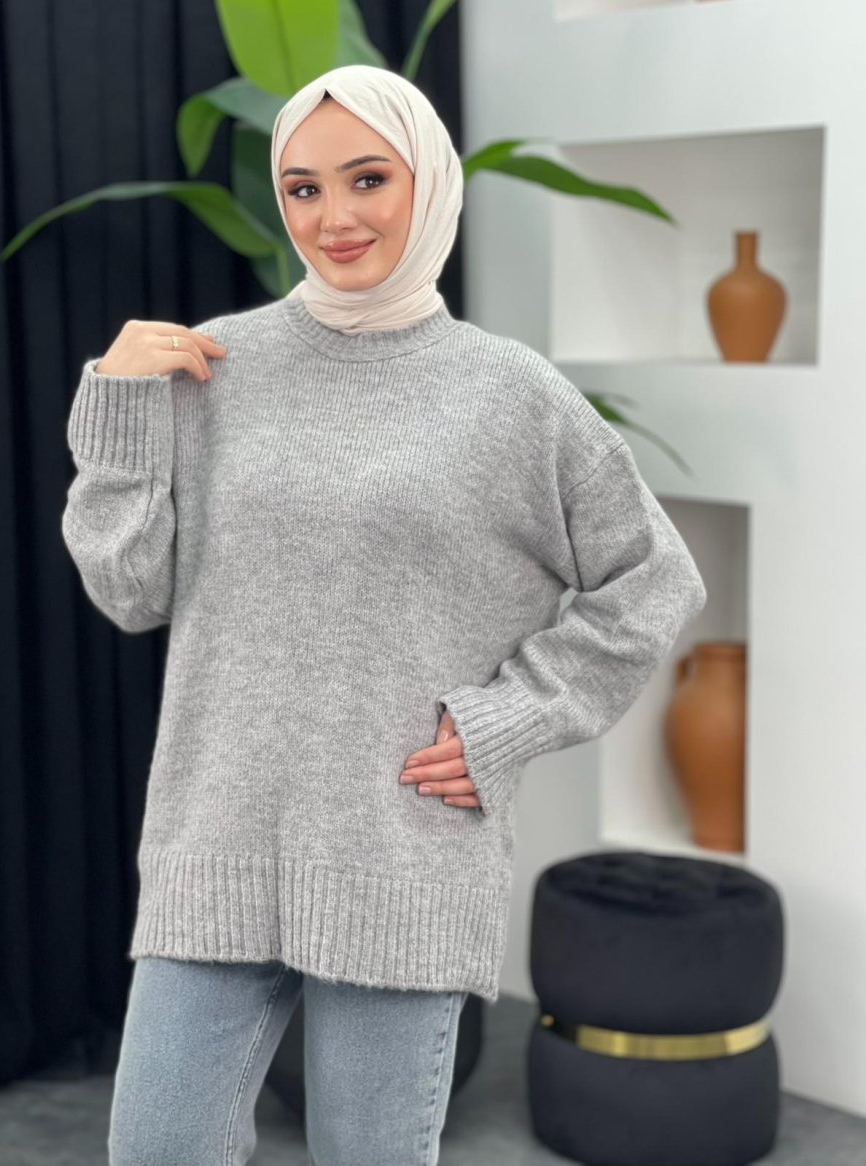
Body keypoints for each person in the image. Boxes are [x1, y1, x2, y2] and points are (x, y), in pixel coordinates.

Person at [61, 64, 706, 1166]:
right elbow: (132, 593)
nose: (335, 217)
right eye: (303, 188)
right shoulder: (216, 366)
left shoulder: (512, 394)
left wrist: (509, 719)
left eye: (368, 178)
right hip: (217, 839)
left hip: (399, 851)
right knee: (157, 1147)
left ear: (430, 182)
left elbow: (653, 576)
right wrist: (119, 409)